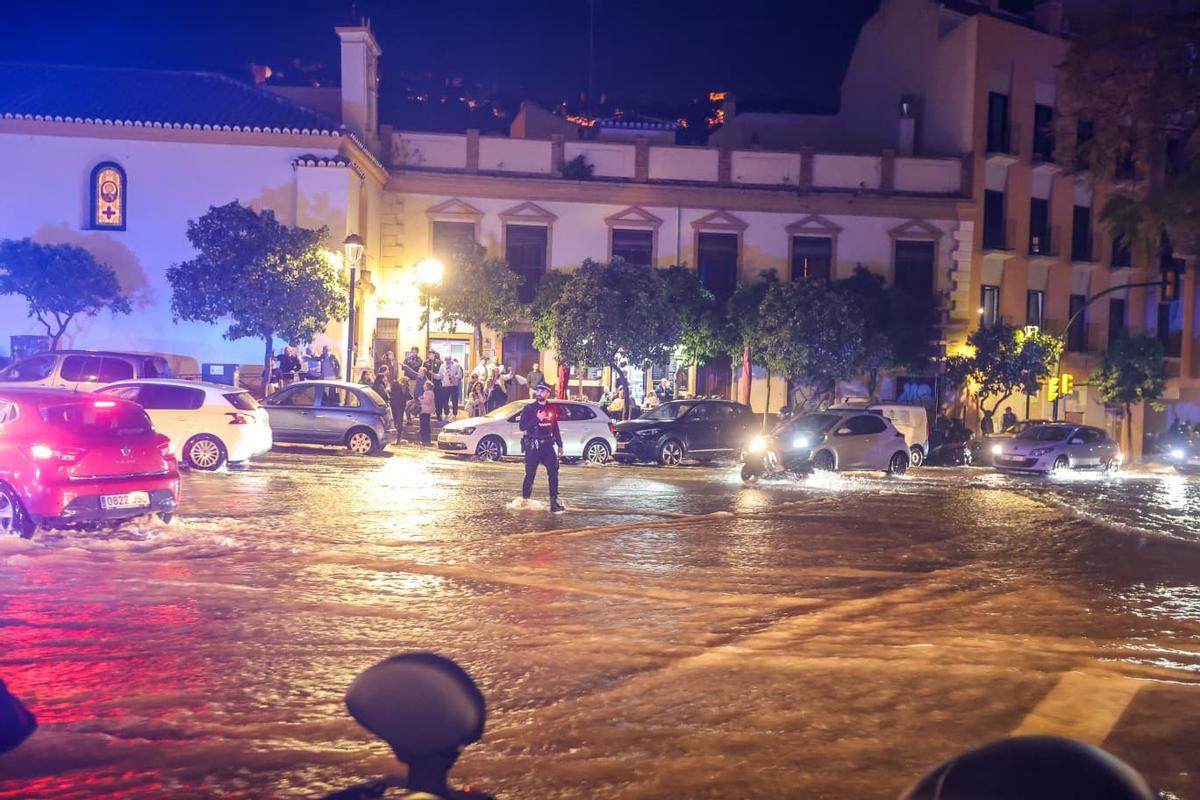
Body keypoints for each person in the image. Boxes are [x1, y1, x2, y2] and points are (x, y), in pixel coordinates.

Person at [519, 381, 564, 512]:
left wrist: (560, 445)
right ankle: (525, 501)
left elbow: (555, 427)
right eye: (538, 390)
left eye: (542, 391)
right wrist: (537, 419)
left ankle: (554, 502)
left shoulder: (551, 408)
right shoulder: (529, 408)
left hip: (548, 445)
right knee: (530, 474)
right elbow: (522, 426)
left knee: (553, 472)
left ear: (547, 393)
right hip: (533, 445)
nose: (539, 393)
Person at [418, 379, 436, 447]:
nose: (423, 386)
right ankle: (425, 439)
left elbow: (427, 401)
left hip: (425, 410)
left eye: (425, 385)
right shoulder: (428, 392)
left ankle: (425, 439)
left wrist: (420, 400)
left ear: (428, 386)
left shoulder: (428, 392)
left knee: (424, 425)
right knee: (425, 425)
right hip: (425, 410)